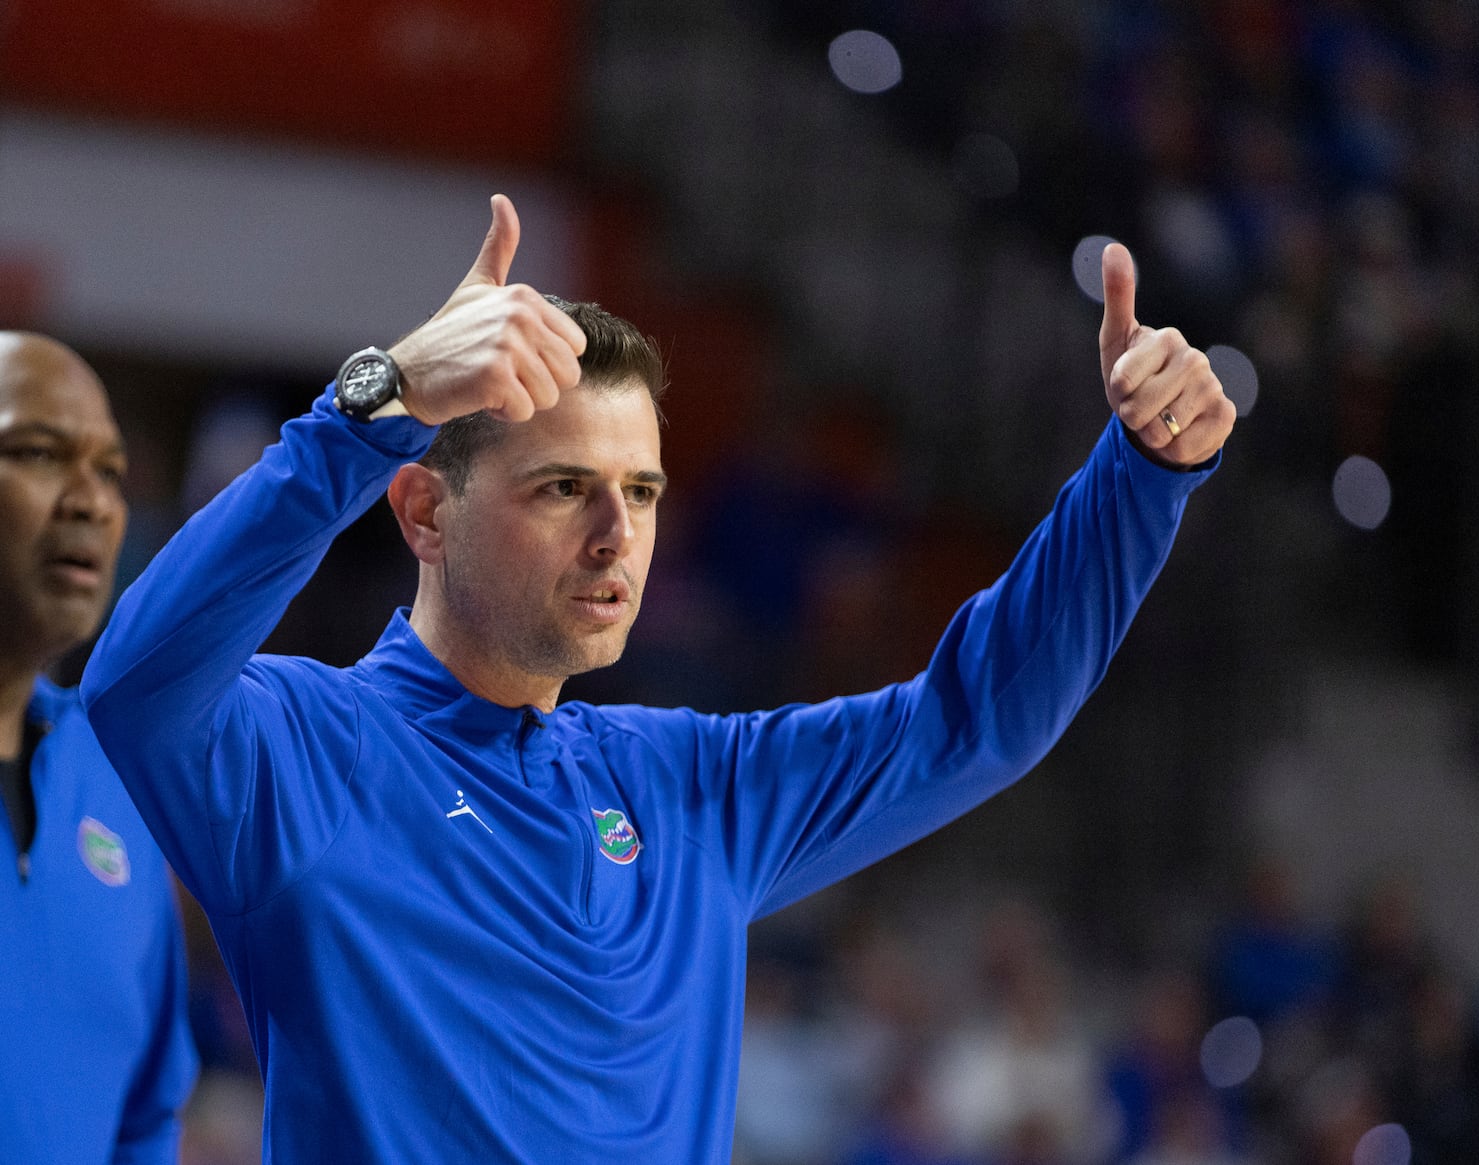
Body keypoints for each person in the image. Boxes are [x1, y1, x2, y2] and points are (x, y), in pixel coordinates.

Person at [81, 194, 1235, 1162]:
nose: (614, 536)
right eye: (559, 488)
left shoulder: (690, 785)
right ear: (425, 508)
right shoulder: (302, 750)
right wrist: (371, 407)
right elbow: (134, 684)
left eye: (639, 491)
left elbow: (979, 721)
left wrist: (1137, 477)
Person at [0, 332, 197, 1161]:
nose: (88, 500)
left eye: (110, 471)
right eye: (40, 453)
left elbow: (146, 1117)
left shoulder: (115, 783)